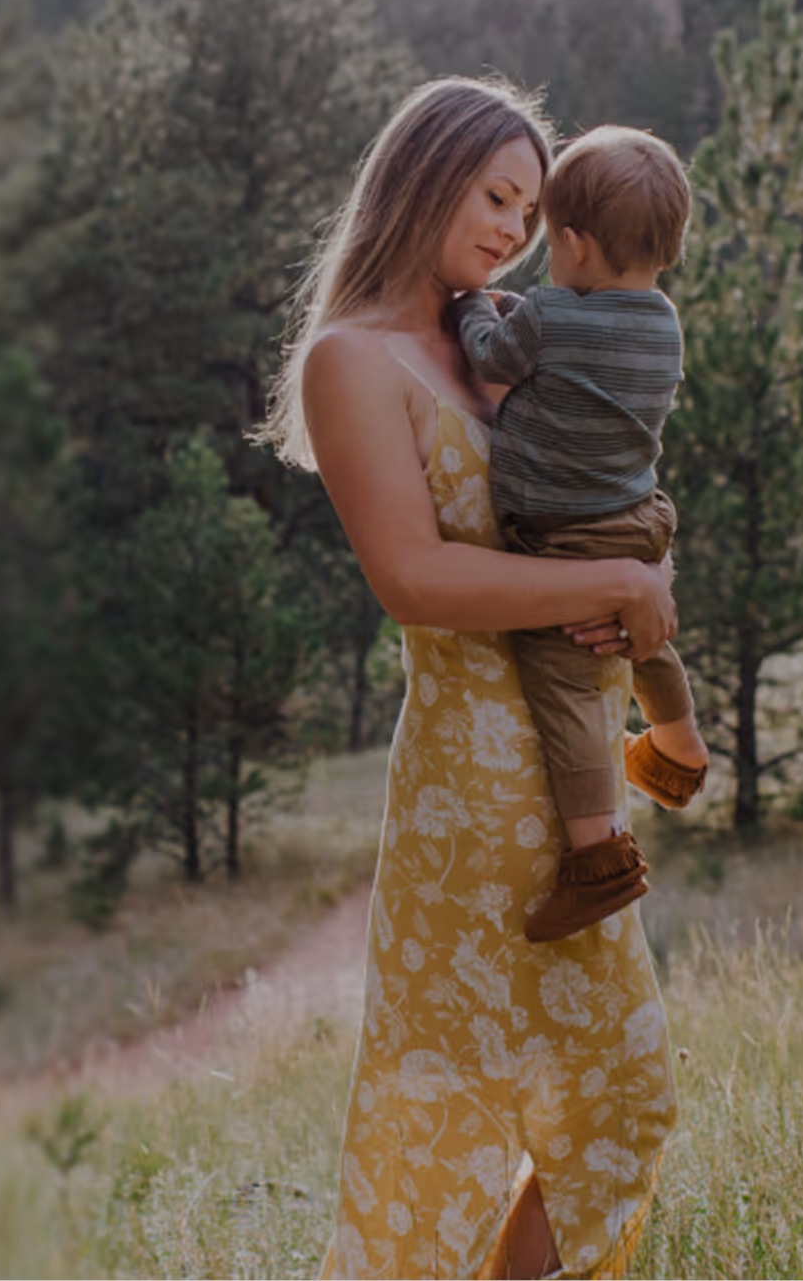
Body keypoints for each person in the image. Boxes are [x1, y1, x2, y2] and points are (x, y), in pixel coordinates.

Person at [257, 77, 679, 1280]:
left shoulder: (494, 329)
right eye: (495, 195)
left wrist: (629, 578)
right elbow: (416, 578)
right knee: (442, 1123)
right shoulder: (354, 358)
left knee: (621, 1097)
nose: (513, 227)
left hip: (565, 766)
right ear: (423, 172)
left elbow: (574, 500)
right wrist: (604, 592)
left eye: (532, 210)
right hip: (467, 789)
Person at [448, 125, 712, 944]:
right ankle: (679, 752)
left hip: (564, 533)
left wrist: (468, 310)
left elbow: (494, 359)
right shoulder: (665, 324)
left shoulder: (552, 314)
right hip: (640, 519)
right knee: (648, 643)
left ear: (572, 243)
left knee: (561, 677)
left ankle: (597, 860)